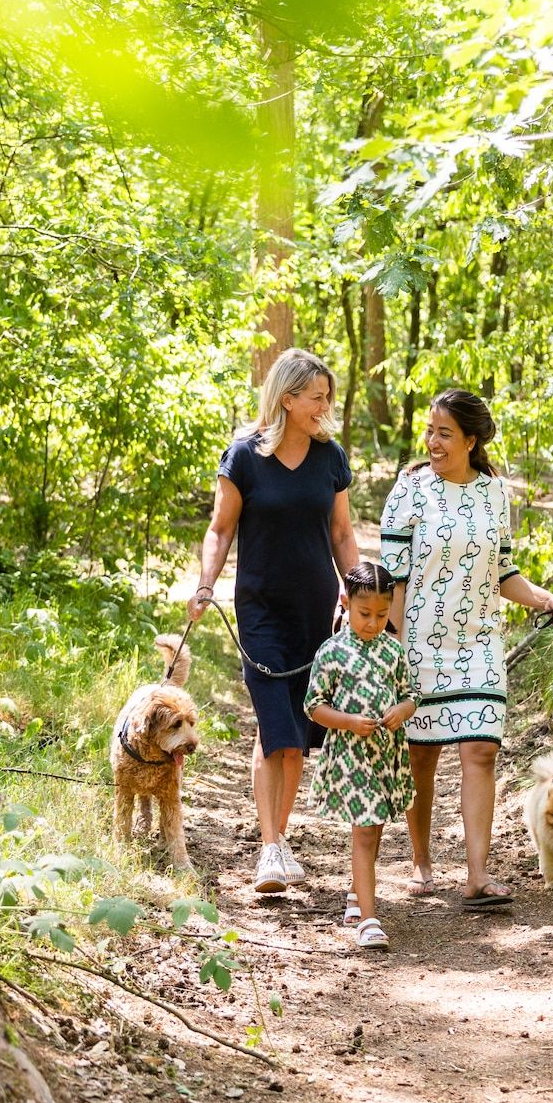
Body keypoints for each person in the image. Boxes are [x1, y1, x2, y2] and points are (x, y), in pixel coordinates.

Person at [379, 388, 553, 908]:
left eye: (444, 433)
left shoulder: (494, 493)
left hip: (479, 644)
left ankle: (477, 876)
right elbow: (393, 577)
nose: (433, 442)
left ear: (470, 440)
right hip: (419, 644)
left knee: (481, 750)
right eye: (430, 431)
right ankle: (421, 860)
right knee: (421, 756)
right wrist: (395, 643)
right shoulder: (410, 489)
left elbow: (504, 574)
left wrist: (547, 599)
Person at [188, 349, 361, 893]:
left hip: (314, 607)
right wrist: (205, 583)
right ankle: (268, 849)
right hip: (260, 608)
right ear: (287, 399)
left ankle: (280, 838)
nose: (325, 407)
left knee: (297, 733)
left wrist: (358, 592)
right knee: (272, 726)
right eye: (317, 398)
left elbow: (341, 533)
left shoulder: (330, 457)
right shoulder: (243, 456)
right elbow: (220, 529)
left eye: (327, 397)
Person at [304, 561, 417, 950]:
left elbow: (411, 694)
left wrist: (402, 710)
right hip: (352, 756)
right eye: (364, 613)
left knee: (375, 826)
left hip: (386, 754)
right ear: (347, 604)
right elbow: (314, 706)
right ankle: (369, 920)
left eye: (382, 615)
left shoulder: (393, 651)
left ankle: (357, 890)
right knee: (365, 830)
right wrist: (348, 722)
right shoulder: (332, 652)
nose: (372, 623)